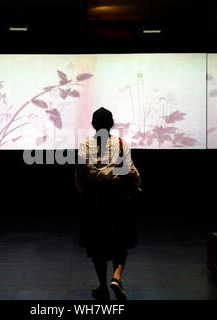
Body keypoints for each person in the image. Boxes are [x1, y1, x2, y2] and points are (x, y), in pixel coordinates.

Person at [75, 107, 141, 300]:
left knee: (97, 244)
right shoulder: (121, 144)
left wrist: (85, 191)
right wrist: (136, 186)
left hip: (94, 200)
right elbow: (131, 171)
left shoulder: (85, 145)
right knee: (121, 240)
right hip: (118, 199)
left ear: (93, 125)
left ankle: (103, 286)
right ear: (111, 124)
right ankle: (117, 277)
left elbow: (81, 173)